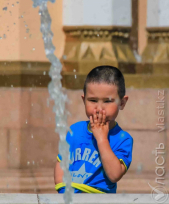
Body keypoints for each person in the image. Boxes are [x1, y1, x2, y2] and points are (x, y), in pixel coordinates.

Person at [54, 65, 133, 193]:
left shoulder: (123, 139)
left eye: (108, 101)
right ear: (84, 100)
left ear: (122, 103)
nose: (99, 108)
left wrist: (102, 139)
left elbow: (114, 175)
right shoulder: (74, 131)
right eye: (93, 100)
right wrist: (61, 187)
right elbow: (61, 162)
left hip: (100, 197)